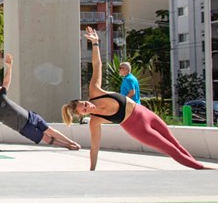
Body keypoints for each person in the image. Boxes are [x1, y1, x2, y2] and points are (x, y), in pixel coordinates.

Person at [62, 27, 208, 170]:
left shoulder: (95, 91)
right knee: (169, 148)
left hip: (144, 112)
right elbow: (95, 147)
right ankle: (204, 169)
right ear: (82, 115)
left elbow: (97, 65)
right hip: (137, 127)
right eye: (85, 109)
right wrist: (92, 170)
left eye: (85, 103)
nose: (89, 106)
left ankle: (200, 168)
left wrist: (95, 43)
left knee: (175, 143)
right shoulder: (95, 121)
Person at [0, 53, 80, 151]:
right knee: (46, 138)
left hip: (31, 116)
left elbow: (6, 82)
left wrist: (10, 67)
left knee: (50, 130)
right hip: (24, 128)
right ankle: (67, 146)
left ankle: (71, 142)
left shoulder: (1, 97)